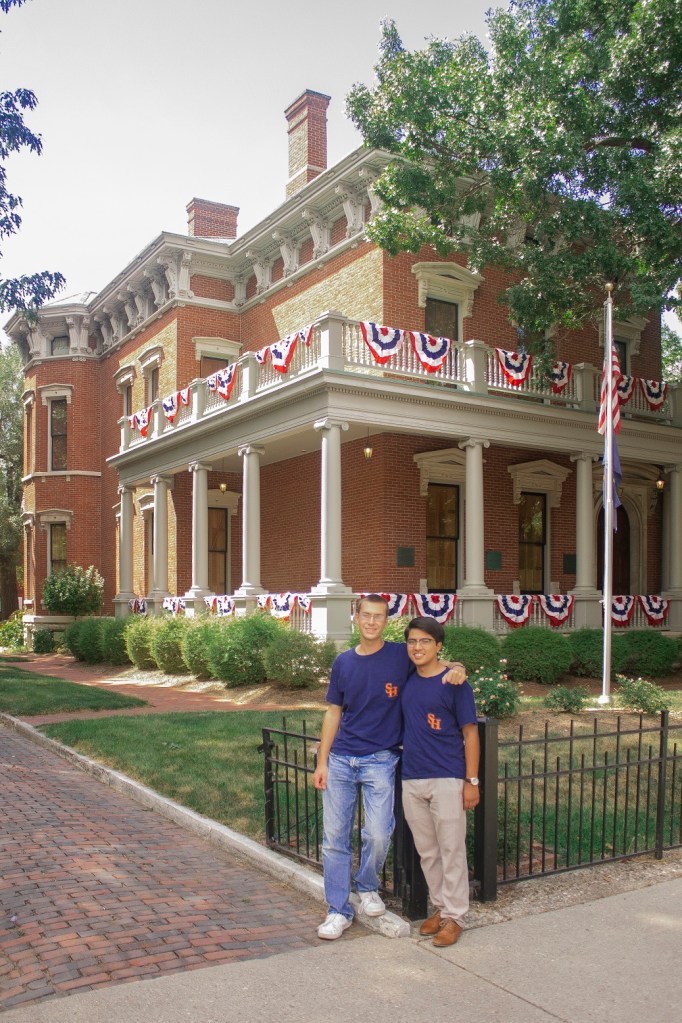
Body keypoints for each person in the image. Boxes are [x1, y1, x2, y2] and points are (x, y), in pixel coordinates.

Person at [312, 594, 467, 940]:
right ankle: (338, 909)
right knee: (335, 839)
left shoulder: (400, 655)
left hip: (381, 758)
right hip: (341, 760)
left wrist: (459, 668)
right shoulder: (343, 662)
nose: (371, 622)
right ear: (356, 618)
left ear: (386, 620)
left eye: (378, 616)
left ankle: (367, 886)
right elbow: (333, 712)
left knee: (379, 834)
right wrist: (322, 761)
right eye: (365, 615)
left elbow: (432, 661)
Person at [400, 615, 480, 947]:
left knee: (451, 849)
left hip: (447, 776)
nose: (417, 647)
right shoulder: (407, 677)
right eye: (412, 641)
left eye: (425, 641)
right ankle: (440, 908)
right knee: (428, 852)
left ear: (438, 646)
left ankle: (456, 916)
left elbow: (470, 733)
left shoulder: (455, 684)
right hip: (412, 777)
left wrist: (471, 780)